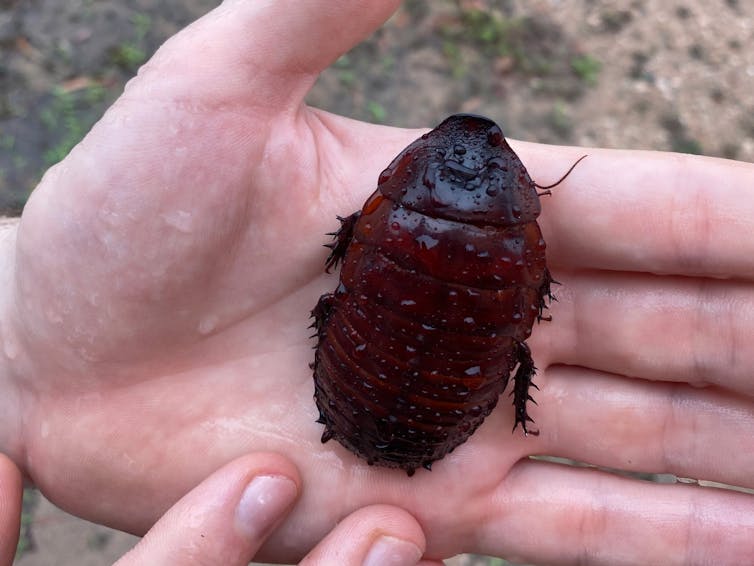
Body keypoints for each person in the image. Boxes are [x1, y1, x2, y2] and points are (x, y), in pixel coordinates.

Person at [1, 0, 753, 564]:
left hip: (387, 374)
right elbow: (520, 322)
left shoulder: (385, 220)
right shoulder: (521, 255)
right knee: (506, 348)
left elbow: (351, 269)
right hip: (427, 388)